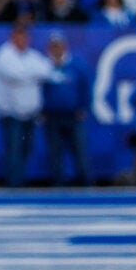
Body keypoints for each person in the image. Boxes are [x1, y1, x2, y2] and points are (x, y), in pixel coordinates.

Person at [0, 17, 54, 187]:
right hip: (12, 113)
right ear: (12, 37)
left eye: (25, 36)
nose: (22, 40)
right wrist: (32, 75)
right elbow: (14, 74)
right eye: (19, 36)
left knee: (26, 150)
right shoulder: (3, 54)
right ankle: (14, 185)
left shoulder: (32, 55)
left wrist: (28, 74)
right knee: (13, 151)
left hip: (30, 113)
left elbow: (47, 70)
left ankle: (21, 181)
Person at [40, 31, 90, 186]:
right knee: (55, 152)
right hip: (52, 116)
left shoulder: (76, 64)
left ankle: (85, 183)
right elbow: (38, 90)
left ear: (65, 46)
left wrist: (83, 106)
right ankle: (58, 183)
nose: (56, 49)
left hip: (73, 115)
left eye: (59, 45)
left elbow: (86, 87)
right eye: (53, 46)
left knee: (80, 151)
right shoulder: (43, 66)